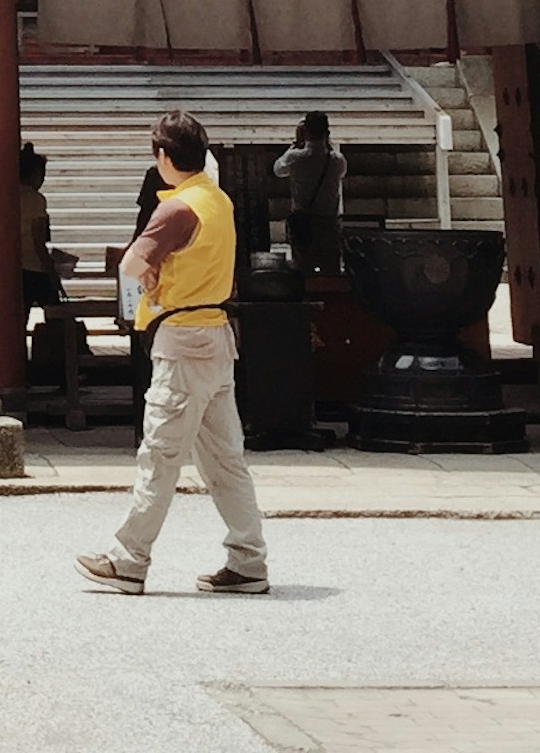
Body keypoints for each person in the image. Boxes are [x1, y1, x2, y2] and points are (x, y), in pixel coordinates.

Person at [77, 110, 269, 596]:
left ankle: (129, 558)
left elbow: (131, 263)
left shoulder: (177, 208)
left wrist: (150, 277)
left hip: (182, 339)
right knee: (227, 459)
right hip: (217, 337)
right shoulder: (217, 202)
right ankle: (248, 560)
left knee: (160, 455)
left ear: (163, 157)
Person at [18, 145, 75, 374]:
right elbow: (38, 241)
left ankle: (21, 371)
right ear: (34, 174)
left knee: (18, 325)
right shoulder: (36, 199)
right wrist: (52, 274)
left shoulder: (7, 196)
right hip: (35, 267)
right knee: (57, 320)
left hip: (16, 268)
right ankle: (63, 371)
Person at [274, 111, 346, 265]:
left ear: (305, 132)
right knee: (330, 268)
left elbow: (278, 169)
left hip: (303, 223)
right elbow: (340, 172)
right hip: (329, 224)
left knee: (302, 268)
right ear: (327, 133)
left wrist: (295, 144)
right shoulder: (337, 161)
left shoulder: (295, 158)